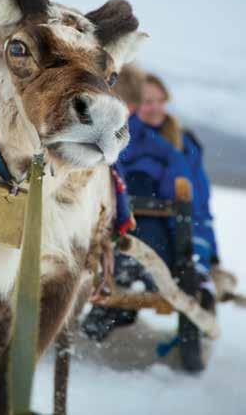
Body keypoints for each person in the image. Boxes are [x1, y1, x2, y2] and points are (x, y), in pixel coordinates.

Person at [82, 66, 219, 341]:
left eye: (159, 101)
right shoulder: (119, 140)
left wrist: (199, 256)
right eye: (146, 101)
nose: (154, 108)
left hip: (164, 235)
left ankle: (125, 285)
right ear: (132, 105)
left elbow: (198, 206)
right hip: (117, 230)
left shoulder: (181, 147)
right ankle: (115, 287)